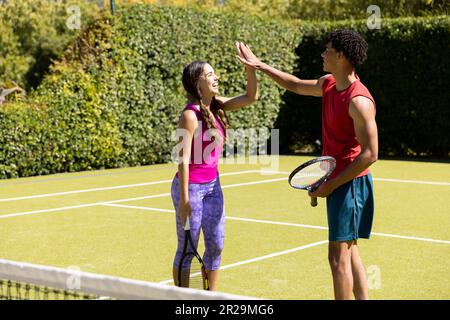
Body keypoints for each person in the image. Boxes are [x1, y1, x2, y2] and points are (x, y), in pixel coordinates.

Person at [236, 29, 378, 300]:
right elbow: (296, 84)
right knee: (351, 251)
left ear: (341, 56)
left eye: (327, 51)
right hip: (338, 181)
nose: (322, 54)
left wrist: (331, 185)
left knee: (337, 258)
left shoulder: (359, 102)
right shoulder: (328, 84)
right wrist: (260, 65)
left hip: (351, 184)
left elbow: (370, 155)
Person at [172, 45, 258, 291]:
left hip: (213, 187)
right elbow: (183, 159)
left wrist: (250, 69)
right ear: (197, 83)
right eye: (209, 75)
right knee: (188, 248)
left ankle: (210, 297)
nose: (215, 77)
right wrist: (185, 200)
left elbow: (251, 97)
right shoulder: (189, 115)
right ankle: (182, 301)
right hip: (190, 188)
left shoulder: (217, 105)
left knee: (217, 244)